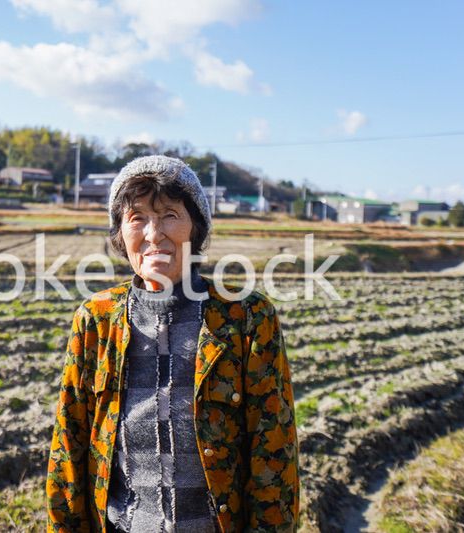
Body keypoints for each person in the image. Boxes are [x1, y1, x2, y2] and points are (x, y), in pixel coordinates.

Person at [46, 155, 299, 533]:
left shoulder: (246, 317)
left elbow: (274, 454)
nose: (153, 234)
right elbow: (69, 444)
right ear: (120, 233)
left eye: (169, 215)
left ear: (195, 228)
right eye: (137, 218)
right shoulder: (96, 320)